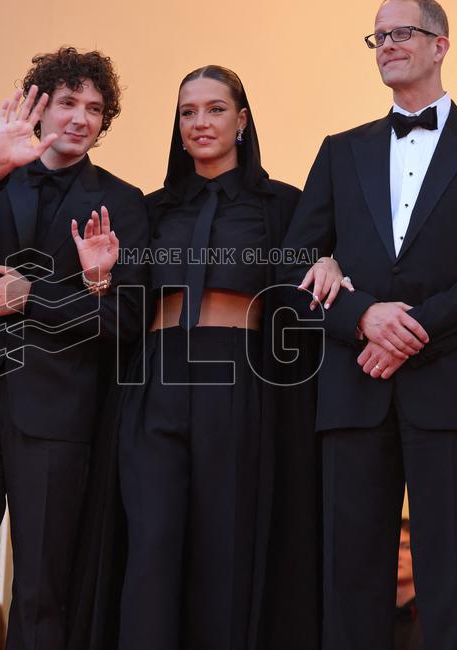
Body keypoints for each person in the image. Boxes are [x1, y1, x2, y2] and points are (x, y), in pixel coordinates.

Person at [281, 0, 457, 648]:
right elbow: (292, 265)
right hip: (352, 390)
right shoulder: (340, 150)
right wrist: (363, 317)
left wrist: (409, 331)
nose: (387, 45)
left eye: (402, 33)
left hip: (449, 389)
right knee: (350, 580)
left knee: (448, 585)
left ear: (440, 45)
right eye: (378, 37)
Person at [71, 65, 335, 650]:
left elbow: (308, 275)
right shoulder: (150, 209)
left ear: (242, 120)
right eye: (188, 112)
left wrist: (331, 262)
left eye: (215, 109)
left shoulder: (285, 206)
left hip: (240, 381)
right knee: (151, 547)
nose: (200, 122)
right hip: (154, 381)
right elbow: (125, 307)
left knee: (226, 548)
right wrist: (97, 279)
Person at [0, 47, 149, 650]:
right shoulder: (0, 172)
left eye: (95, 109)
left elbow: (124, 319)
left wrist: (36, 296)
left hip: (56, 413)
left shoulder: (124, 202)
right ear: (40, 108)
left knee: (43, 588)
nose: (81, 118)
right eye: (68, 103)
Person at [395, 518, 423, 650]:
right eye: (393, 547)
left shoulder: (433, 616)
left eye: (405, 547)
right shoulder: (369, 616)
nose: (397, 555)